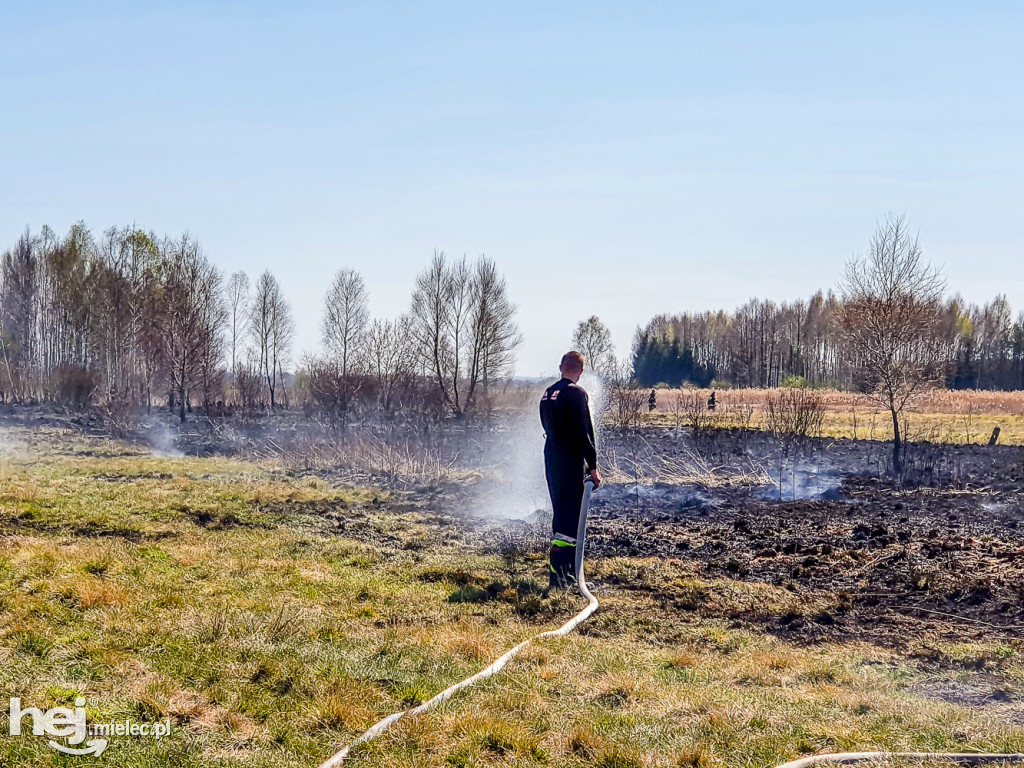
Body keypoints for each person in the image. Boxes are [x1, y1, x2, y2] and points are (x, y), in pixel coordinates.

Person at [539, 351, 602, 589]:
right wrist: (593, 466)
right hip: (568, 459)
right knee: (571, 517)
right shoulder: (576, 394)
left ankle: (561, 575)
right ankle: (563, 577)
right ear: (580, 372)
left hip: (552, 456)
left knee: (561, 513)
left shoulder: (548, 394)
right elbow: (585, 433)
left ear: (560, 367)